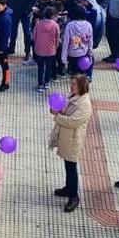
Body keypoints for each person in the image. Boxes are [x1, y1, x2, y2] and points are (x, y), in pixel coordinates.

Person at [50, 74, 93, 213]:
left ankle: (74, 196)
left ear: (81, 86)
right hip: (66, 137)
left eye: (74, 84)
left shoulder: (85, 104)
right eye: (71, 83)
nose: (71, 86)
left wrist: (57, 116)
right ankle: (68, 188)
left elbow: (73, 122)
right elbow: (64, 108)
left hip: (73, 140)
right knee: (68, 165)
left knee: (71, 167)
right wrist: (57, 109)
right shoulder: (73, 96)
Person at [4, 0, 38, 64]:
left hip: (25, 13)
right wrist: (8, 5)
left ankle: (27, 51)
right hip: (13, 11)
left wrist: (28, 9)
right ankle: (11, 47)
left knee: (27, 33)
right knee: (12, 30)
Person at [32, 5, 61, 92]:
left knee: (40, 68)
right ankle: (46, 83)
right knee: (48, 67)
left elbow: (34, 36)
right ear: (53, 15)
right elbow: (57, 38)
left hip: (39, 49)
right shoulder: (55, 25)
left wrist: (37, 45)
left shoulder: (38, 24)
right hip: (50, 50)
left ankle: (40, 84)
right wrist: (55, 47)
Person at [60, 1, 93, 76]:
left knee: (74, 73)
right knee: (82, 73)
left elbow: (65, 42)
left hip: (72, 54)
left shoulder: (70, 25)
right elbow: (90, 40)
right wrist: (90, 52)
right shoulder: (88, 25)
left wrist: (63, 58)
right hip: (83, 52)